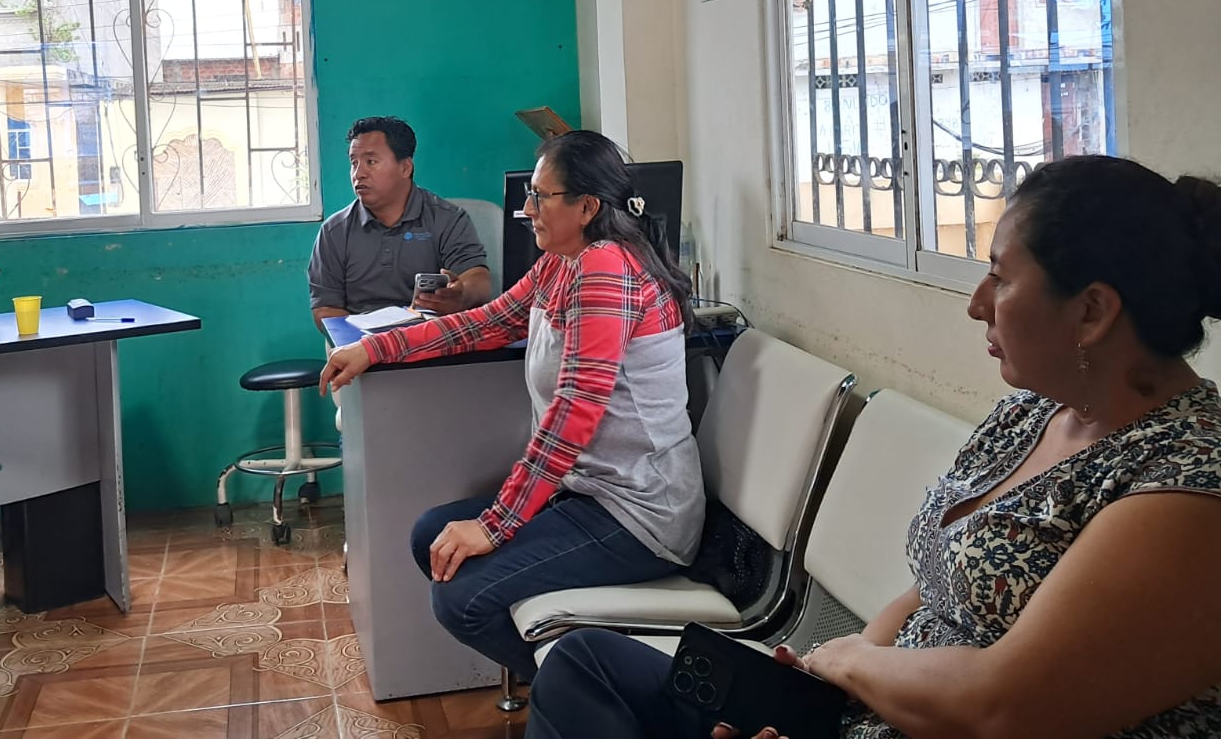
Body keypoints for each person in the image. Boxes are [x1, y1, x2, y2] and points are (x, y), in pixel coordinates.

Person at [524, 154, 1221, 739]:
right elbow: (930, 586)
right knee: (585, 667)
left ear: (1092, 311)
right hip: (871, 706)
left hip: (923, 714)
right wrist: (829, 679)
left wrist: (850, 666)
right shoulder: (1030, 416)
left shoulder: (1188, 482)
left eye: (1002, 277)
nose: (977, 302)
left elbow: (1001, 707)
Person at [320, 129, 704, 683]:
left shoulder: (607, 268)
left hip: (639, 515)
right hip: (588, 493)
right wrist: (376, 347)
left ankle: (598, 693)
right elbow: (485, 324)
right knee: (430, 534)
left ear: (587, 207)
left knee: (462, 601)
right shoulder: (562, 263)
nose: (527, 210)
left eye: (541, 197)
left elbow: (574, 414)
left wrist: (496, 526)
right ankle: (575, 682)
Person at [308, 116, 493, 330]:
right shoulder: (334, 232)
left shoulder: (447, 219)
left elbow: (478, 279)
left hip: (431, 337)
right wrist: (366, 342)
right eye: (354, 163)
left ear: (405, 168)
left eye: (371, 162)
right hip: (361, 343)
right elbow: (325, 309)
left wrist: (461, 295)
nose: (358, 174)